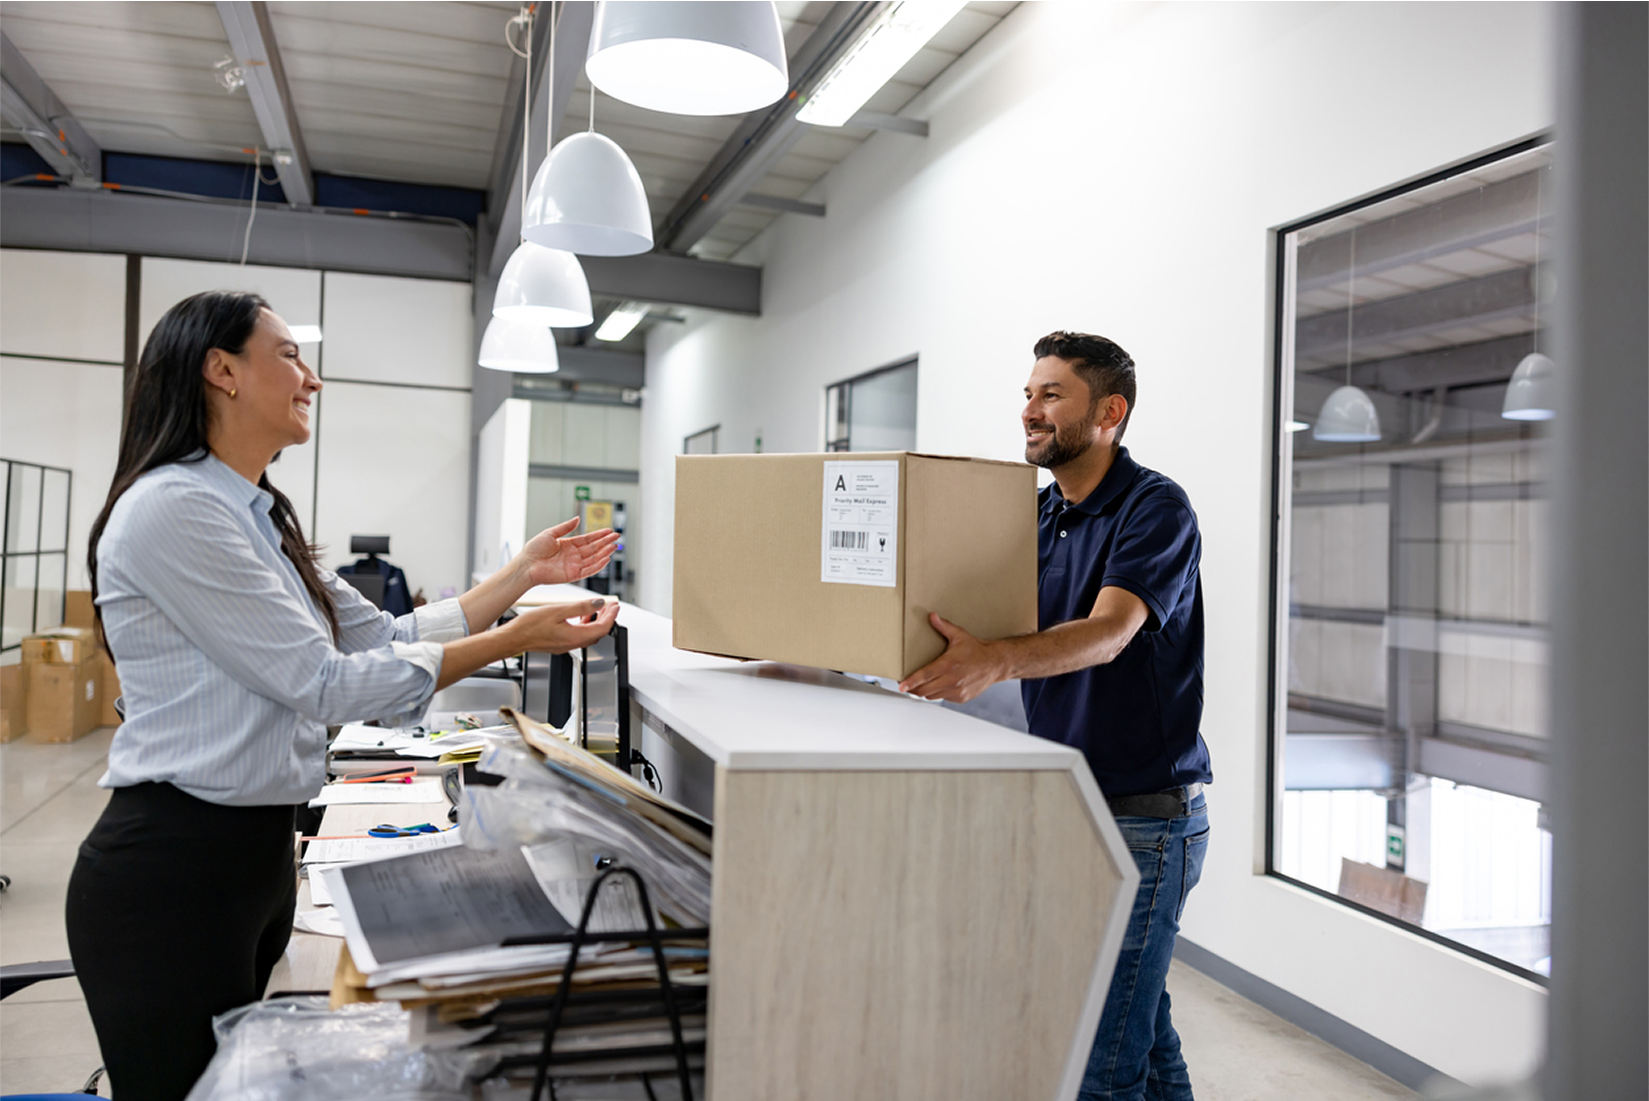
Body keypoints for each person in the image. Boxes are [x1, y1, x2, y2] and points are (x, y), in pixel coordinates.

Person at [66, 290, 622, 1101]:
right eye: (289, 354)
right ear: (220, 370)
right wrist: (512, 639)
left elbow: (381, 638)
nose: (311, 380)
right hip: (173, 874)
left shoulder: (255, 516)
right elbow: (321, 683)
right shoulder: (174, 510)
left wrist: (519, 581)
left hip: (252, 860)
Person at [899, 331, 1213, 1101]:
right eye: (1027, 393)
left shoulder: (1154, 508)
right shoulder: (1037, 515)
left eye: (1049, 395)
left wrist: (996, 659)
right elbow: (970, 617)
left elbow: (1108, 634)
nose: (1029, 411)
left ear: (1109, 411)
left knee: (1097, 1061)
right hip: (1068, 803)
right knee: (1139, 1026)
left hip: (1145, 815)